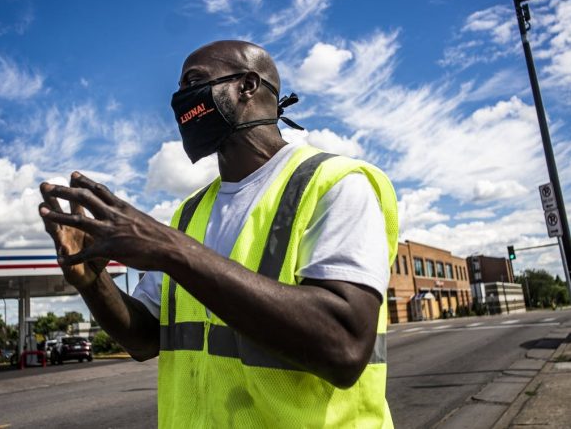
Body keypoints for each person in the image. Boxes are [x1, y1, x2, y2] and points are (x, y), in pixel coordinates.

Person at [38, 40, 398, 428]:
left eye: (194, 82)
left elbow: (344, 348)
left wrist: (168, 248)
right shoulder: (190, 212)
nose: (181, 100)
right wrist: (94, 282)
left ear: (247, 86)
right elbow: (144, 339)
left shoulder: (334, 183)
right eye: (177, 90)